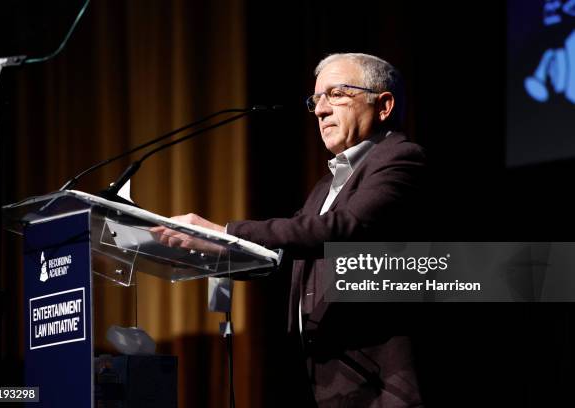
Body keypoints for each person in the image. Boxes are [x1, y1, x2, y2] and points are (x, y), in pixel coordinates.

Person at [155, 53, 426, 407]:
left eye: (337, 94)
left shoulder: (401, 159)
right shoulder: (323, 188)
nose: (320, 110)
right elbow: (284, 255)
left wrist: (225, 232)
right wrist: (218, 250)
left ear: (384, 105)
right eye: (316, 99)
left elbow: (343, 228)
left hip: (387, 386)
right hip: (329, 385)